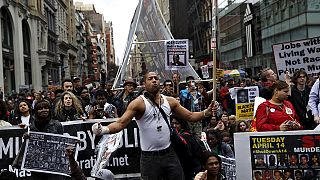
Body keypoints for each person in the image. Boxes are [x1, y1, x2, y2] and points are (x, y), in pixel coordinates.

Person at [92, 71, 217, 180]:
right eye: (150, 79)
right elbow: (120, 123)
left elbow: (190, 116)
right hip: (149, 158)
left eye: (156, 78)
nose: (154, 81)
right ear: (144, 84)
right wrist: (103, 129)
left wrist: (206, 112)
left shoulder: (170, 101)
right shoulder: (138, 104)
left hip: (169, 154)